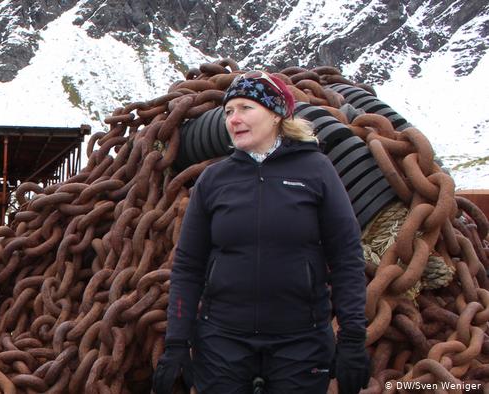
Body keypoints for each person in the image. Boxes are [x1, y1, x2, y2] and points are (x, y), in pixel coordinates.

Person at [152, 70, 370, 394]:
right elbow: (188, 266)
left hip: (301, 343)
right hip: (222, 342)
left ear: (276, 114)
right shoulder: (214, 180)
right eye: (228, 111)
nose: (234, 119)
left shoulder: (317, 170)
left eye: (245, 108)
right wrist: (177, 342)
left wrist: (352, 337)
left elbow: (346, 256)